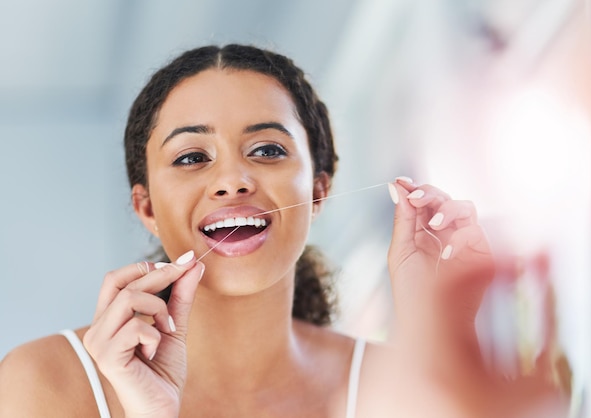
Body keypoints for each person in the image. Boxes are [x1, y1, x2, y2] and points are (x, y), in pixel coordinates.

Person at [0, 44, 498, 417]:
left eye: (267, 150)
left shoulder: (393, 387)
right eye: (192, 157)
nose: (233, 181)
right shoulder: (40, 384)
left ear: (320, 190)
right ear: (146, 207)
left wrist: (443, 336)